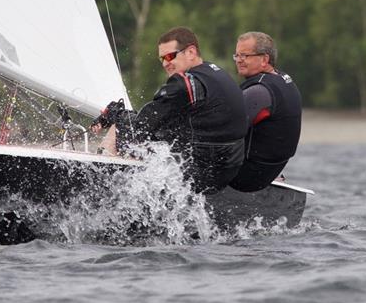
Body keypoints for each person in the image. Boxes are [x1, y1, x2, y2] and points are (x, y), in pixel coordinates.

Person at [93, 27, 247, 194]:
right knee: (147, 132)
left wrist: (114, 113)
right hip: (225, 170)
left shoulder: (184, 84)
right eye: (162, 59)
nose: (165, 63)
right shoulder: (216, 73)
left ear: (191, 52)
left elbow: (140, 126)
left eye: (169, 56)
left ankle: (101, 190)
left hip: (198, 172)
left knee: (122, 126)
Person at [229, 31, 302, 192]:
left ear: (264, 59)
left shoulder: (259, 92)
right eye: (237, 55)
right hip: (270, 171)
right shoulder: (283, 80)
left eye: (245, 56)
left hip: (246, 179)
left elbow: (224, 128)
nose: (239, 60)